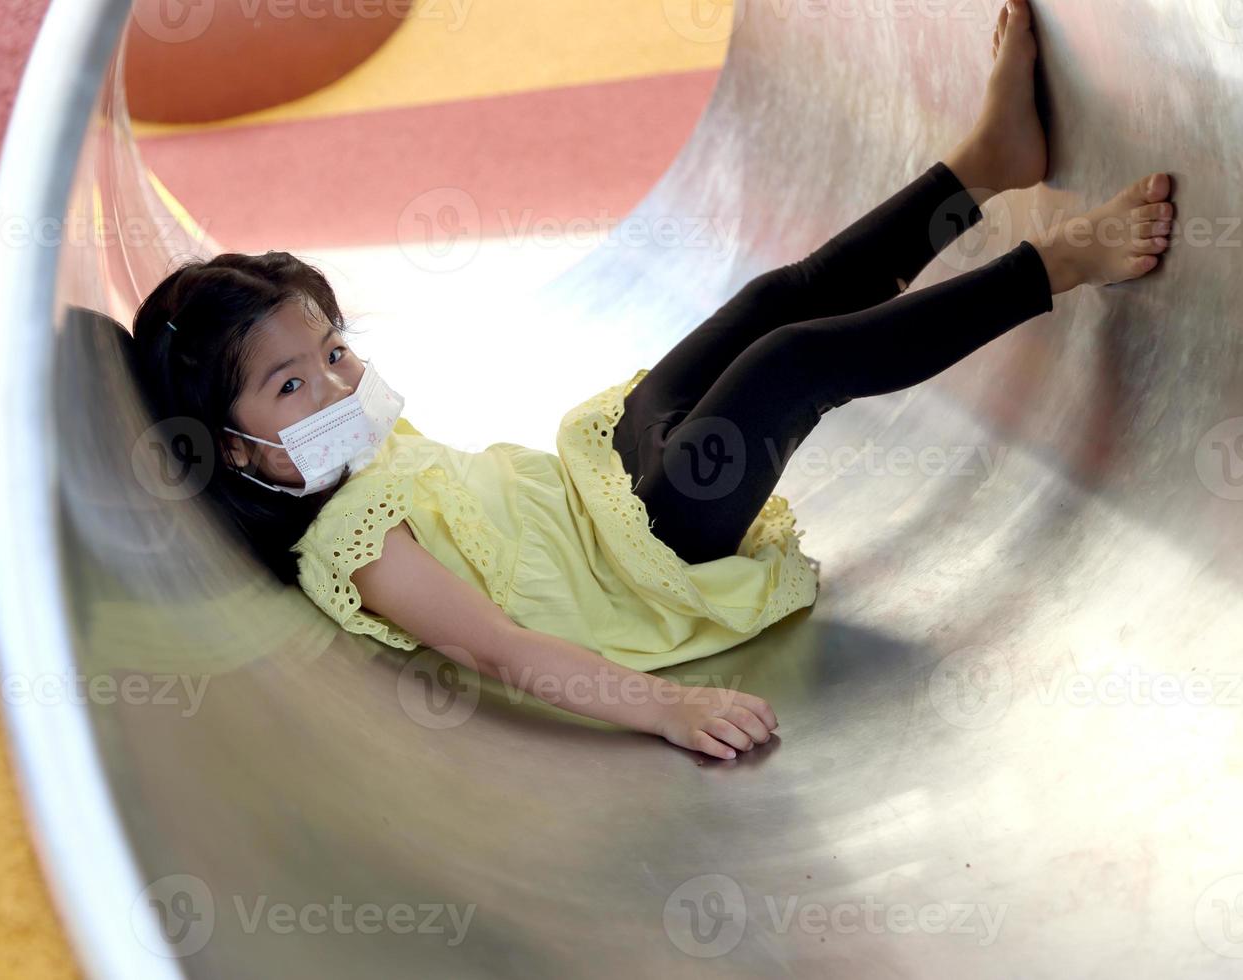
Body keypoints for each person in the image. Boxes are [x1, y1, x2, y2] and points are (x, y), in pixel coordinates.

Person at [132, 0, 1175, 760]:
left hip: (603, 482)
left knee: (773, 300)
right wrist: (664, 708)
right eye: (291, 388)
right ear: (234, 447)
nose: (336, 384)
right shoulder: (354, 548)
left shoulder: (355, 450)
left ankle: (982, 166)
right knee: (795, 363)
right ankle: (1057, 263)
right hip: (647, 556)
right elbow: (501, 650)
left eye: (334, 351)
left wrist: (322, 381)